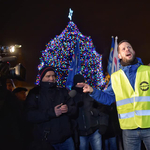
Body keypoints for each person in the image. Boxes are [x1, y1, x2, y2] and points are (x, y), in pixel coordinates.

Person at [77, 40, 150, 150]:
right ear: (119, 56)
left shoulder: (147, 71)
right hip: (128, 130)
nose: (127, 49)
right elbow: (108, 98)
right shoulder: (115, 77)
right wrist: (92, 90)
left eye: (129, 47)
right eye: (123, 49)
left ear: (134, 51)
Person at [25, 66, 77, 150]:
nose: (51, 78)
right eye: (48, 76)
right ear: (42, 78)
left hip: (66, 139)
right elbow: (29, 115)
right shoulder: (35, 93)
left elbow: (74, 109)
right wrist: (52, 112)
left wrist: (68, 109)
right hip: (46, 141)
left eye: (53, 76)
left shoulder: (62, 91)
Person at [72, 74, 108, 150]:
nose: (80, 84)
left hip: (95, 131)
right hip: (80, 133)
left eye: (82, 81)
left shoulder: (91, 93)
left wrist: (103, 124)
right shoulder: (72, 97)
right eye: (78, 82)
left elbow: (102, 109)